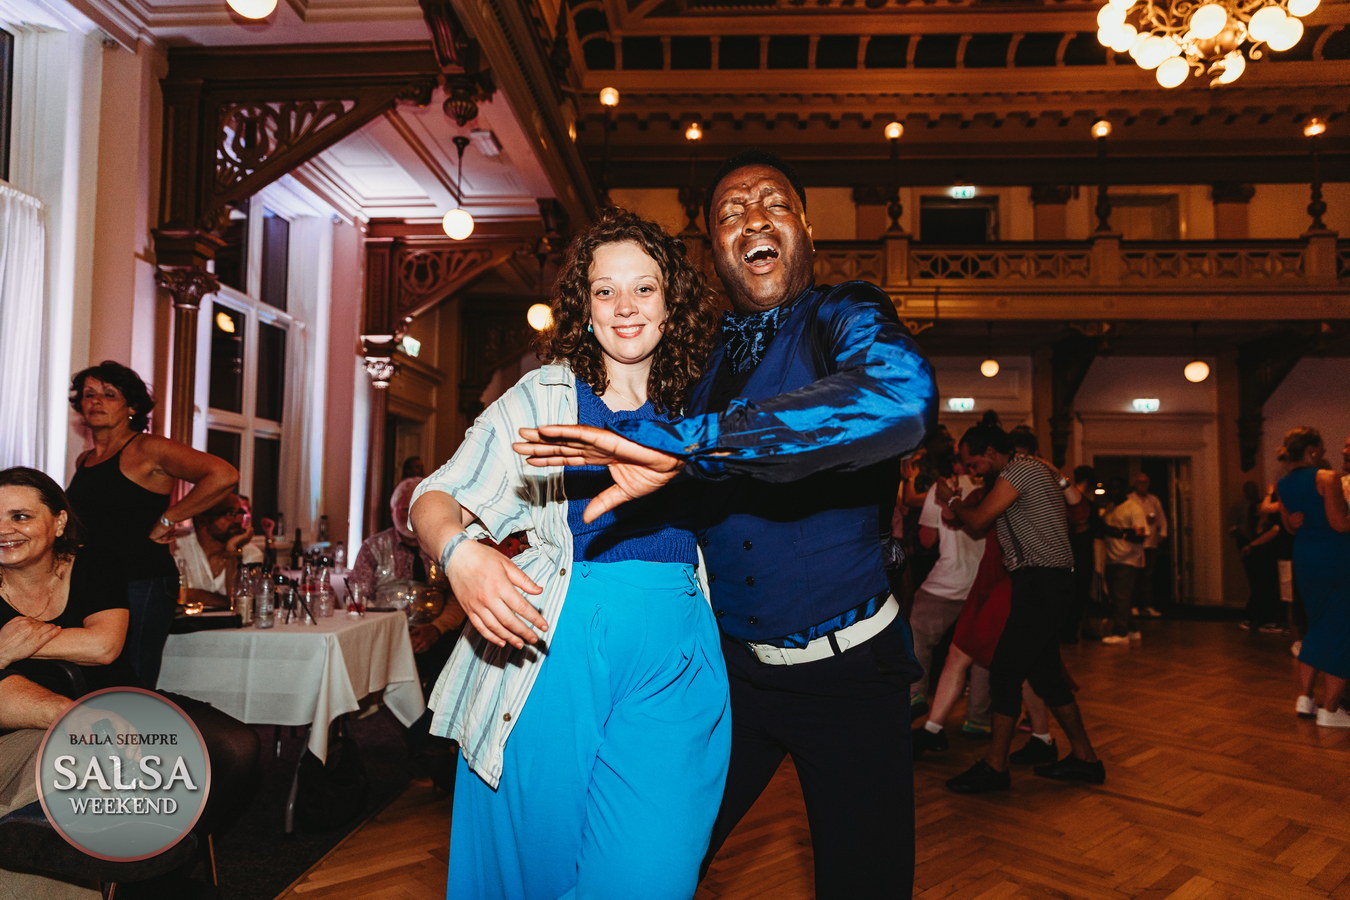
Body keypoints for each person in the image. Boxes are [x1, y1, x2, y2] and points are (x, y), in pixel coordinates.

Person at [514, 150, 936, 898]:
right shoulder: (701, 363)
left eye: (774, 203)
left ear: (805, 229)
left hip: (850, 675)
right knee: (652, 862)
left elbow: (901, 397)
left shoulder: (844, 314)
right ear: (714, 248)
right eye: (731, 213)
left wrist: (695, 443)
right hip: (729, 677)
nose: (754, 218)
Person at [409, 209, 728, 899]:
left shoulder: (706, 401)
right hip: (548, 644)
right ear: (584, 307)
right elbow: (435, 498)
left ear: (672, 302)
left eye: (643, 288)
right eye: (605, 290)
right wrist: (460, 554)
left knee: (652, 878)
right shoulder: (543, 395)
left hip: (677, 654)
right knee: (534, 871)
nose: (624, 306)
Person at [934, 419, 1105, 793]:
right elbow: (978, 522)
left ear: (991, 452)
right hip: (1042, 582)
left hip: (1043, 581)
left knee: (1005, 671)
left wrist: (951, 499)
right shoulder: (1015, 475)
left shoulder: (1020, 470)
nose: (973, 472)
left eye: (975, 464)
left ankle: (995, 766)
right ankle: (1086, 759)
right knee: (1045, 676)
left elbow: (978, 520)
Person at [66, 361, 238, 686]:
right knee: (96, 678)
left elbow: (223, 474)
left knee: (134, 679)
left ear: (131, 406)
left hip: (142, 581)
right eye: (89, 394)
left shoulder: (148, 448)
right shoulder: (85, 459)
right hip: (97, 582)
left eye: (109, 394)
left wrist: (169, 518)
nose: (96, 401)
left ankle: (142, 722)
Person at [1275, 428, 1350, 727]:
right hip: (1335, 558)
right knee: (1342, 629)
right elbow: (1339, 524)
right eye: (1322, 446)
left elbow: (1290, 526)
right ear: (1313, 450)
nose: (1327, 451)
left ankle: (1305, 698)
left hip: (1305, 557)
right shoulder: (1326, 478)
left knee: (1317, 625)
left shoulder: (1283, 483)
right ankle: (1330, 710)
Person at [350, 477, 464, 663]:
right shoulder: (373, 547)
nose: (412, 516)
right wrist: (391, 631)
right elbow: (358, 598)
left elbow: (458, 598)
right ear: (392, 511)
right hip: (383, 638)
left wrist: (436, 628)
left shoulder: (446, 547)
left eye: (418, 509)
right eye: (405, 509)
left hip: (437, 638)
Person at [171, 492, 263, 610]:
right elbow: (173, 595)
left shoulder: (251, 553)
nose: (239, 520)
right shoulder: (178, 548)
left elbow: (240, 604)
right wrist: (224, 602)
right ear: (202, 519)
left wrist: (232, 552)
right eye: (230, 514)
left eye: (240, 513)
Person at [1099, 478, 1147, 645]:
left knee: (1121, 595)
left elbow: (1141, 535)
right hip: (1111, 558)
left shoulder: (1133, 508)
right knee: (1118, 596)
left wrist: (1120, 532)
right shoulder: (1110, 508)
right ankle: (1132, 629)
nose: (1113, 492)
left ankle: (1121, 632)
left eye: (1116, 489)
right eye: (1110, 489)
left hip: (1128, 558)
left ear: (1125, 490)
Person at [1130, 473, 1168, 617]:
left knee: (1147, 576)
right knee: (1135, 575)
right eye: (1140, 483)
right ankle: (1133, 604)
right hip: (1136, 544)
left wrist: (1162, 533)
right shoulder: (1130, 500)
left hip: (1151, 543)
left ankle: (1147, 604)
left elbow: (1161, 518)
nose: (1143, 486)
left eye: (1145, 482)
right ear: (1135, 484)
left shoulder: (1153, 500)